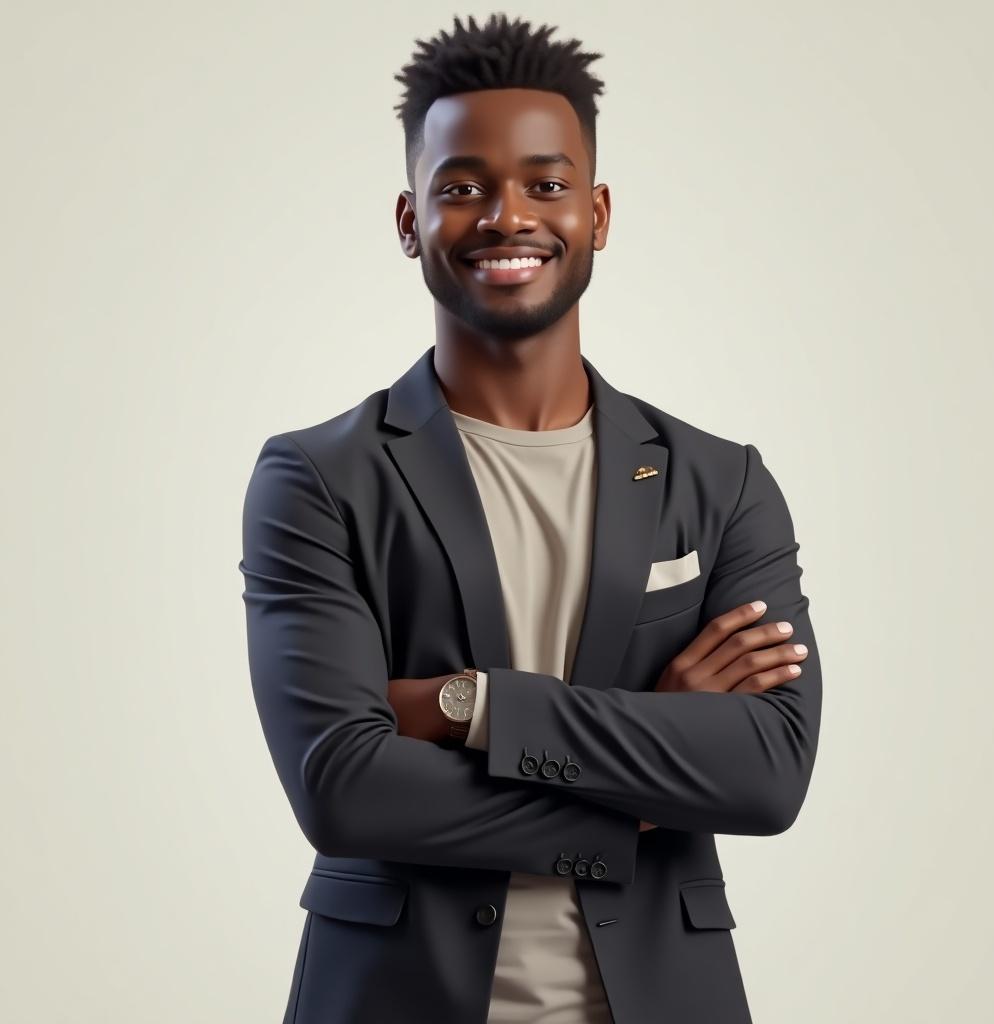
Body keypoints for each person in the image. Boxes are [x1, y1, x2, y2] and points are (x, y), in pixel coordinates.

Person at [239, 13, 822, 1023]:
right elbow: (344, 787)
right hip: (392, 998)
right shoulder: (317, 479)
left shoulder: (719, 481)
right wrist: (648, 780)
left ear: (597, 213)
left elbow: (766, 772)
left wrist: (473, 705)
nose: (507, 215)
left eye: (546, 185)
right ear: (409, 220)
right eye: (460, 187)